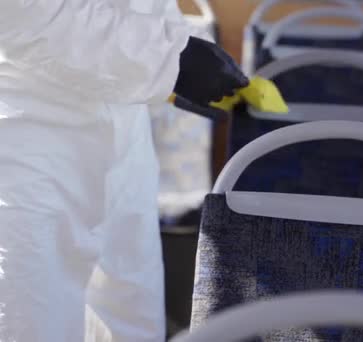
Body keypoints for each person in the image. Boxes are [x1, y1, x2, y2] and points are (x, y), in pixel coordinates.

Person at [0, 1, 247, 341]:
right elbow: (20, 15)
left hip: (125, 134)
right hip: (30, 142)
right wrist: (168, 57)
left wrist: (178, 47)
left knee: (133, 317)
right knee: (33, 322)